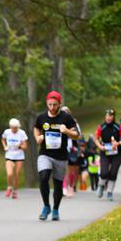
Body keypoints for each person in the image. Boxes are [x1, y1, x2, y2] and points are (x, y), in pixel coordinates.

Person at [33, 91, 79, 221]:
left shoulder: (66, 117)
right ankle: (46, 206)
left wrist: (67, 131)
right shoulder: (41, 117)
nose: (52, 107)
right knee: (44, 177)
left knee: (58, 185)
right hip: (45, 154)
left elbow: (77, 135)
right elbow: (36, 128)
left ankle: (55, 209)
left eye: (55, 104)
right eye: (50, 104)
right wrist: (38, 137)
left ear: (59, 104)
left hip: (61, 156)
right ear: (46, 103)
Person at [95, 109, 121, 201]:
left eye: (111, 116)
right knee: (104, 172)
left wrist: (118, 143)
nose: (108, 118)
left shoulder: (118, 127)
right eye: (107, 116)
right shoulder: (101, 127)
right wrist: (100, 146)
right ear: (105, 116)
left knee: (113, 173)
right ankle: (101, 185)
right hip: (105, 152)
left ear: (113, 117)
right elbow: (96, 139)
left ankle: (109, 192)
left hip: (116, 153)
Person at [1, 118, 28, 199]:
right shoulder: (7, 132)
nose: (14, 130)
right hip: (9, 155)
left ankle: (15, 191)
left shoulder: (22, 133)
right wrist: (5, 146)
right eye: (13, 128)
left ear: (18, 127)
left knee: (16, 175)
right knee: (9, 173)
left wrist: (19, 146)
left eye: (16, 128)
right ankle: (9, 187)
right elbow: (3, 139)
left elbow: (25, 146)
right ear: (10, 127)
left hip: (19, 156)